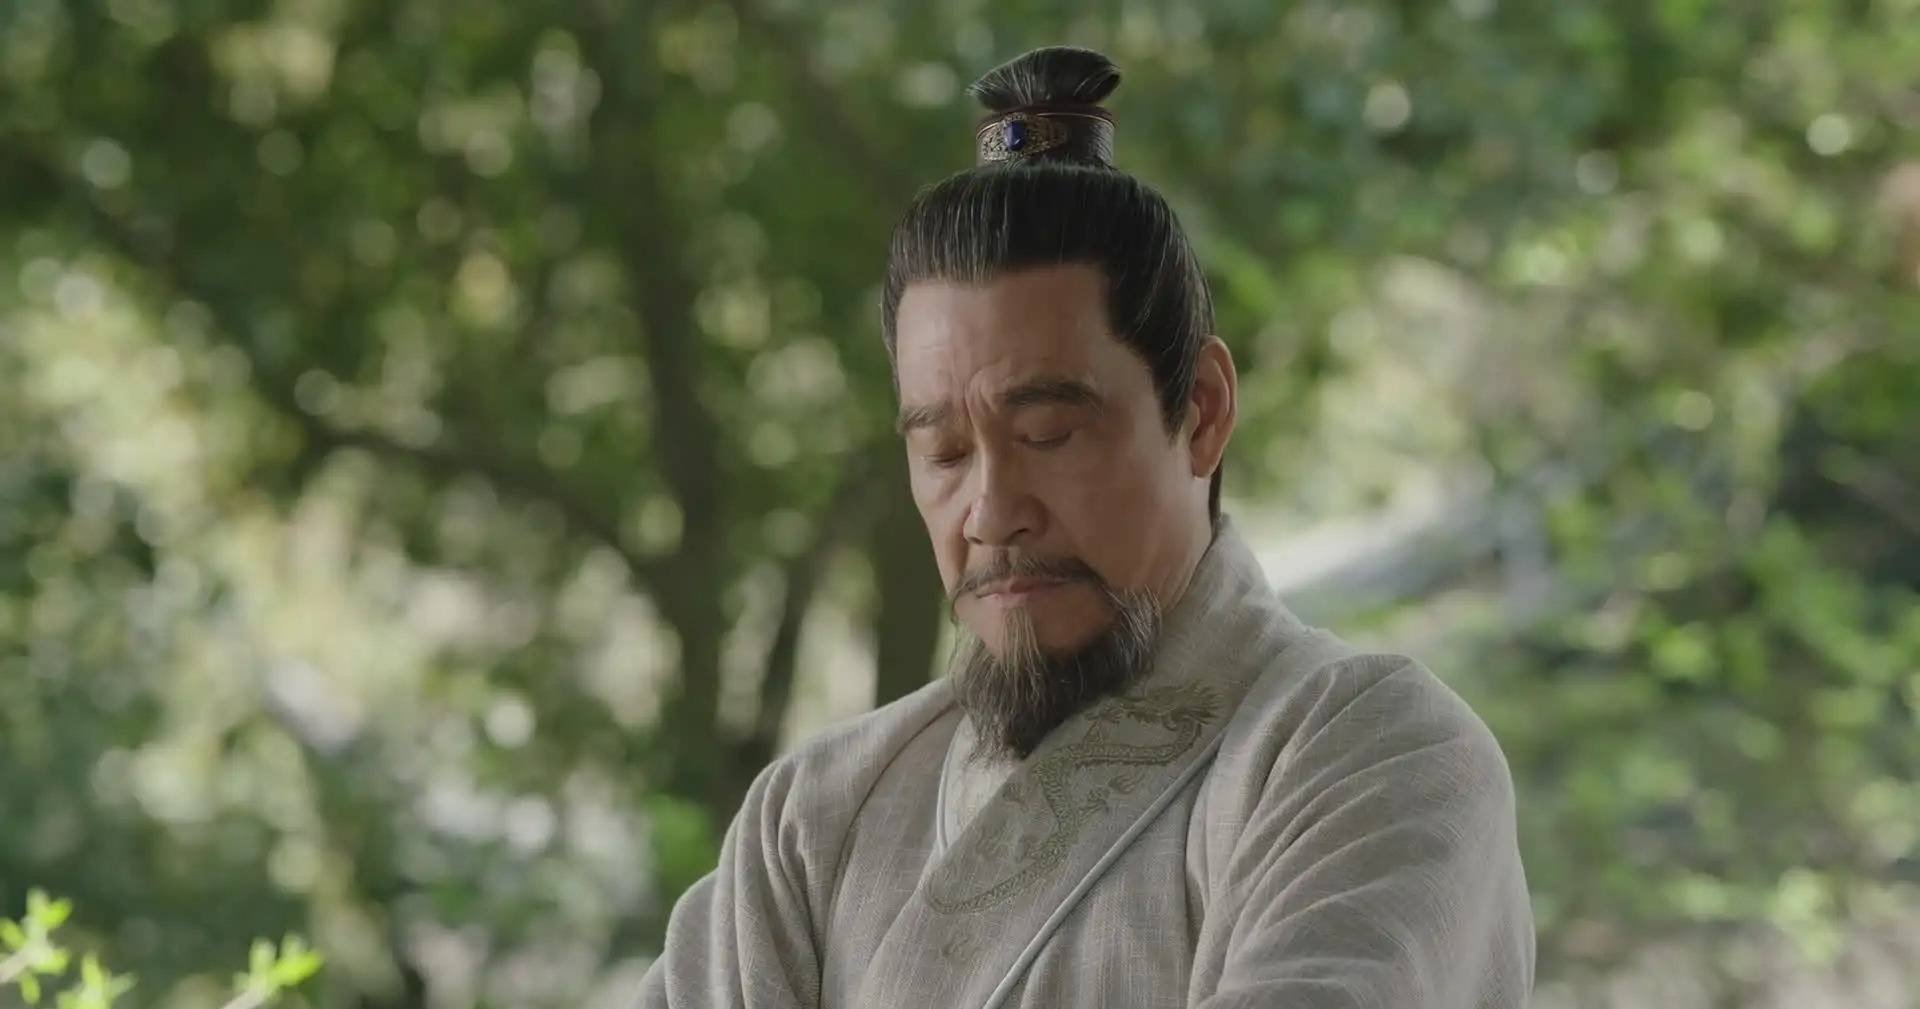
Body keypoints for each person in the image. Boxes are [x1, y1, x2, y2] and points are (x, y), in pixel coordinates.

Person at [638, 45, 1534, 1009]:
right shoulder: (813, 821)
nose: (992, 512)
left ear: (1202, 409)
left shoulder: (1365, 753)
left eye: (1049, 434)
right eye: (944, 451)